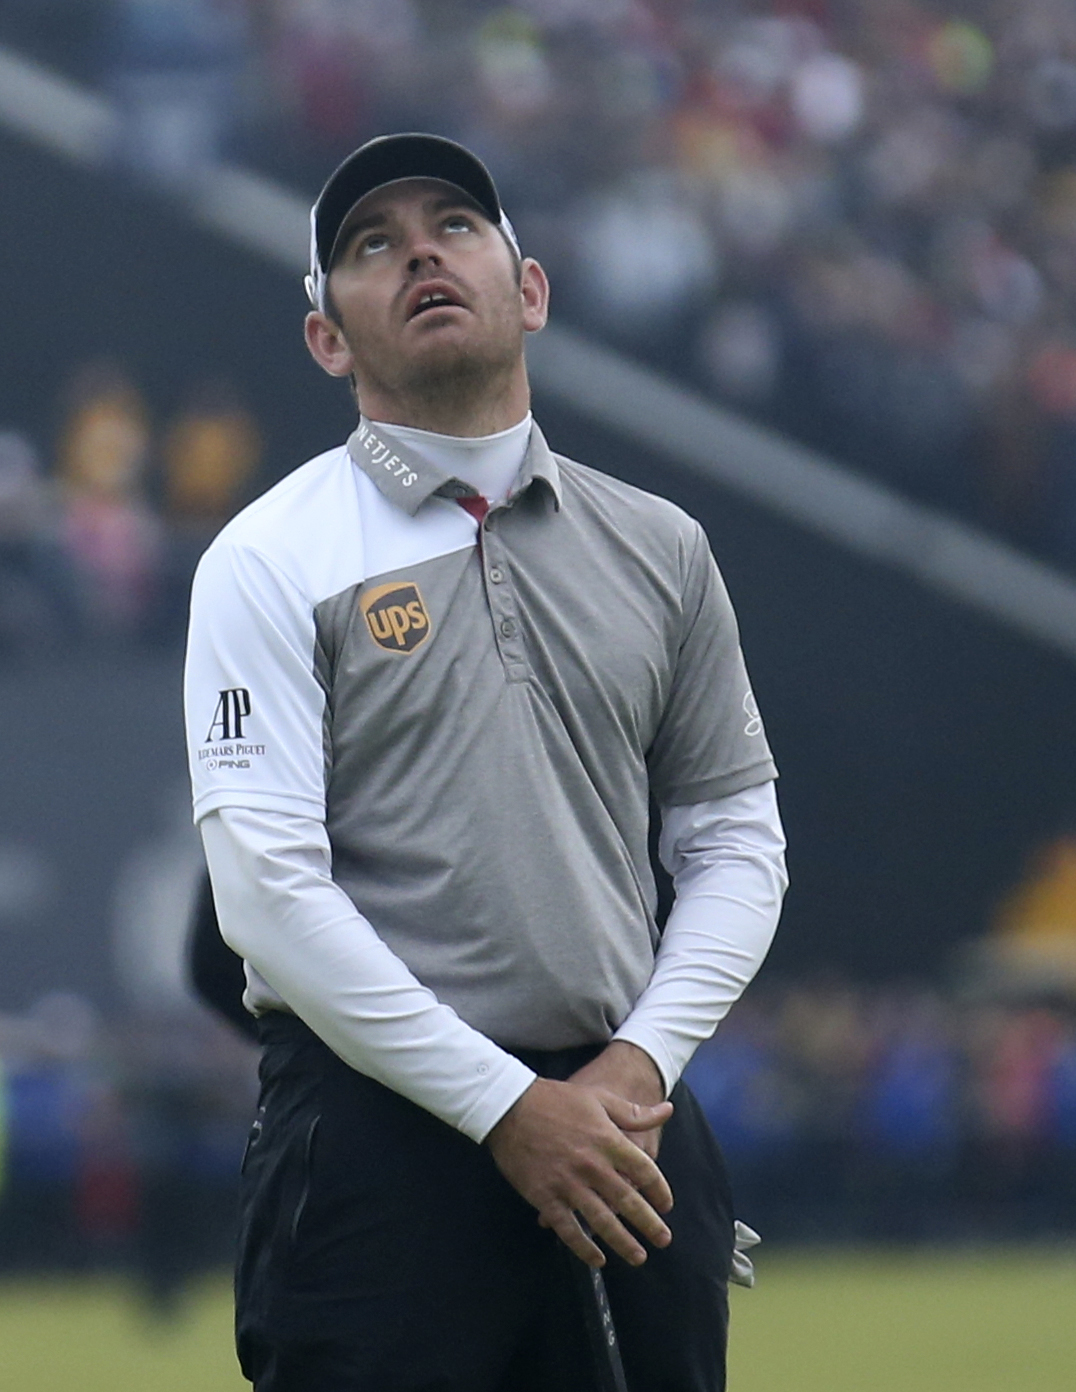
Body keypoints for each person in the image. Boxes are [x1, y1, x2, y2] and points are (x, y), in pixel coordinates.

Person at [184, 132, 787, 1391]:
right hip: (375, 1137)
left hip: (628, 1119)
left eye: (454, 222)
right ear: (327, 341)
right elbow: (265, 898)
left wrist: (634, 1066)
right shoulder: (266, 557)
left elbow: (736, 840)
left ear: (532, 289)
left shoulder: (661, 546)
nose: (416, 251)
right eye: (369, 244)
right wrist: (509, 1110)